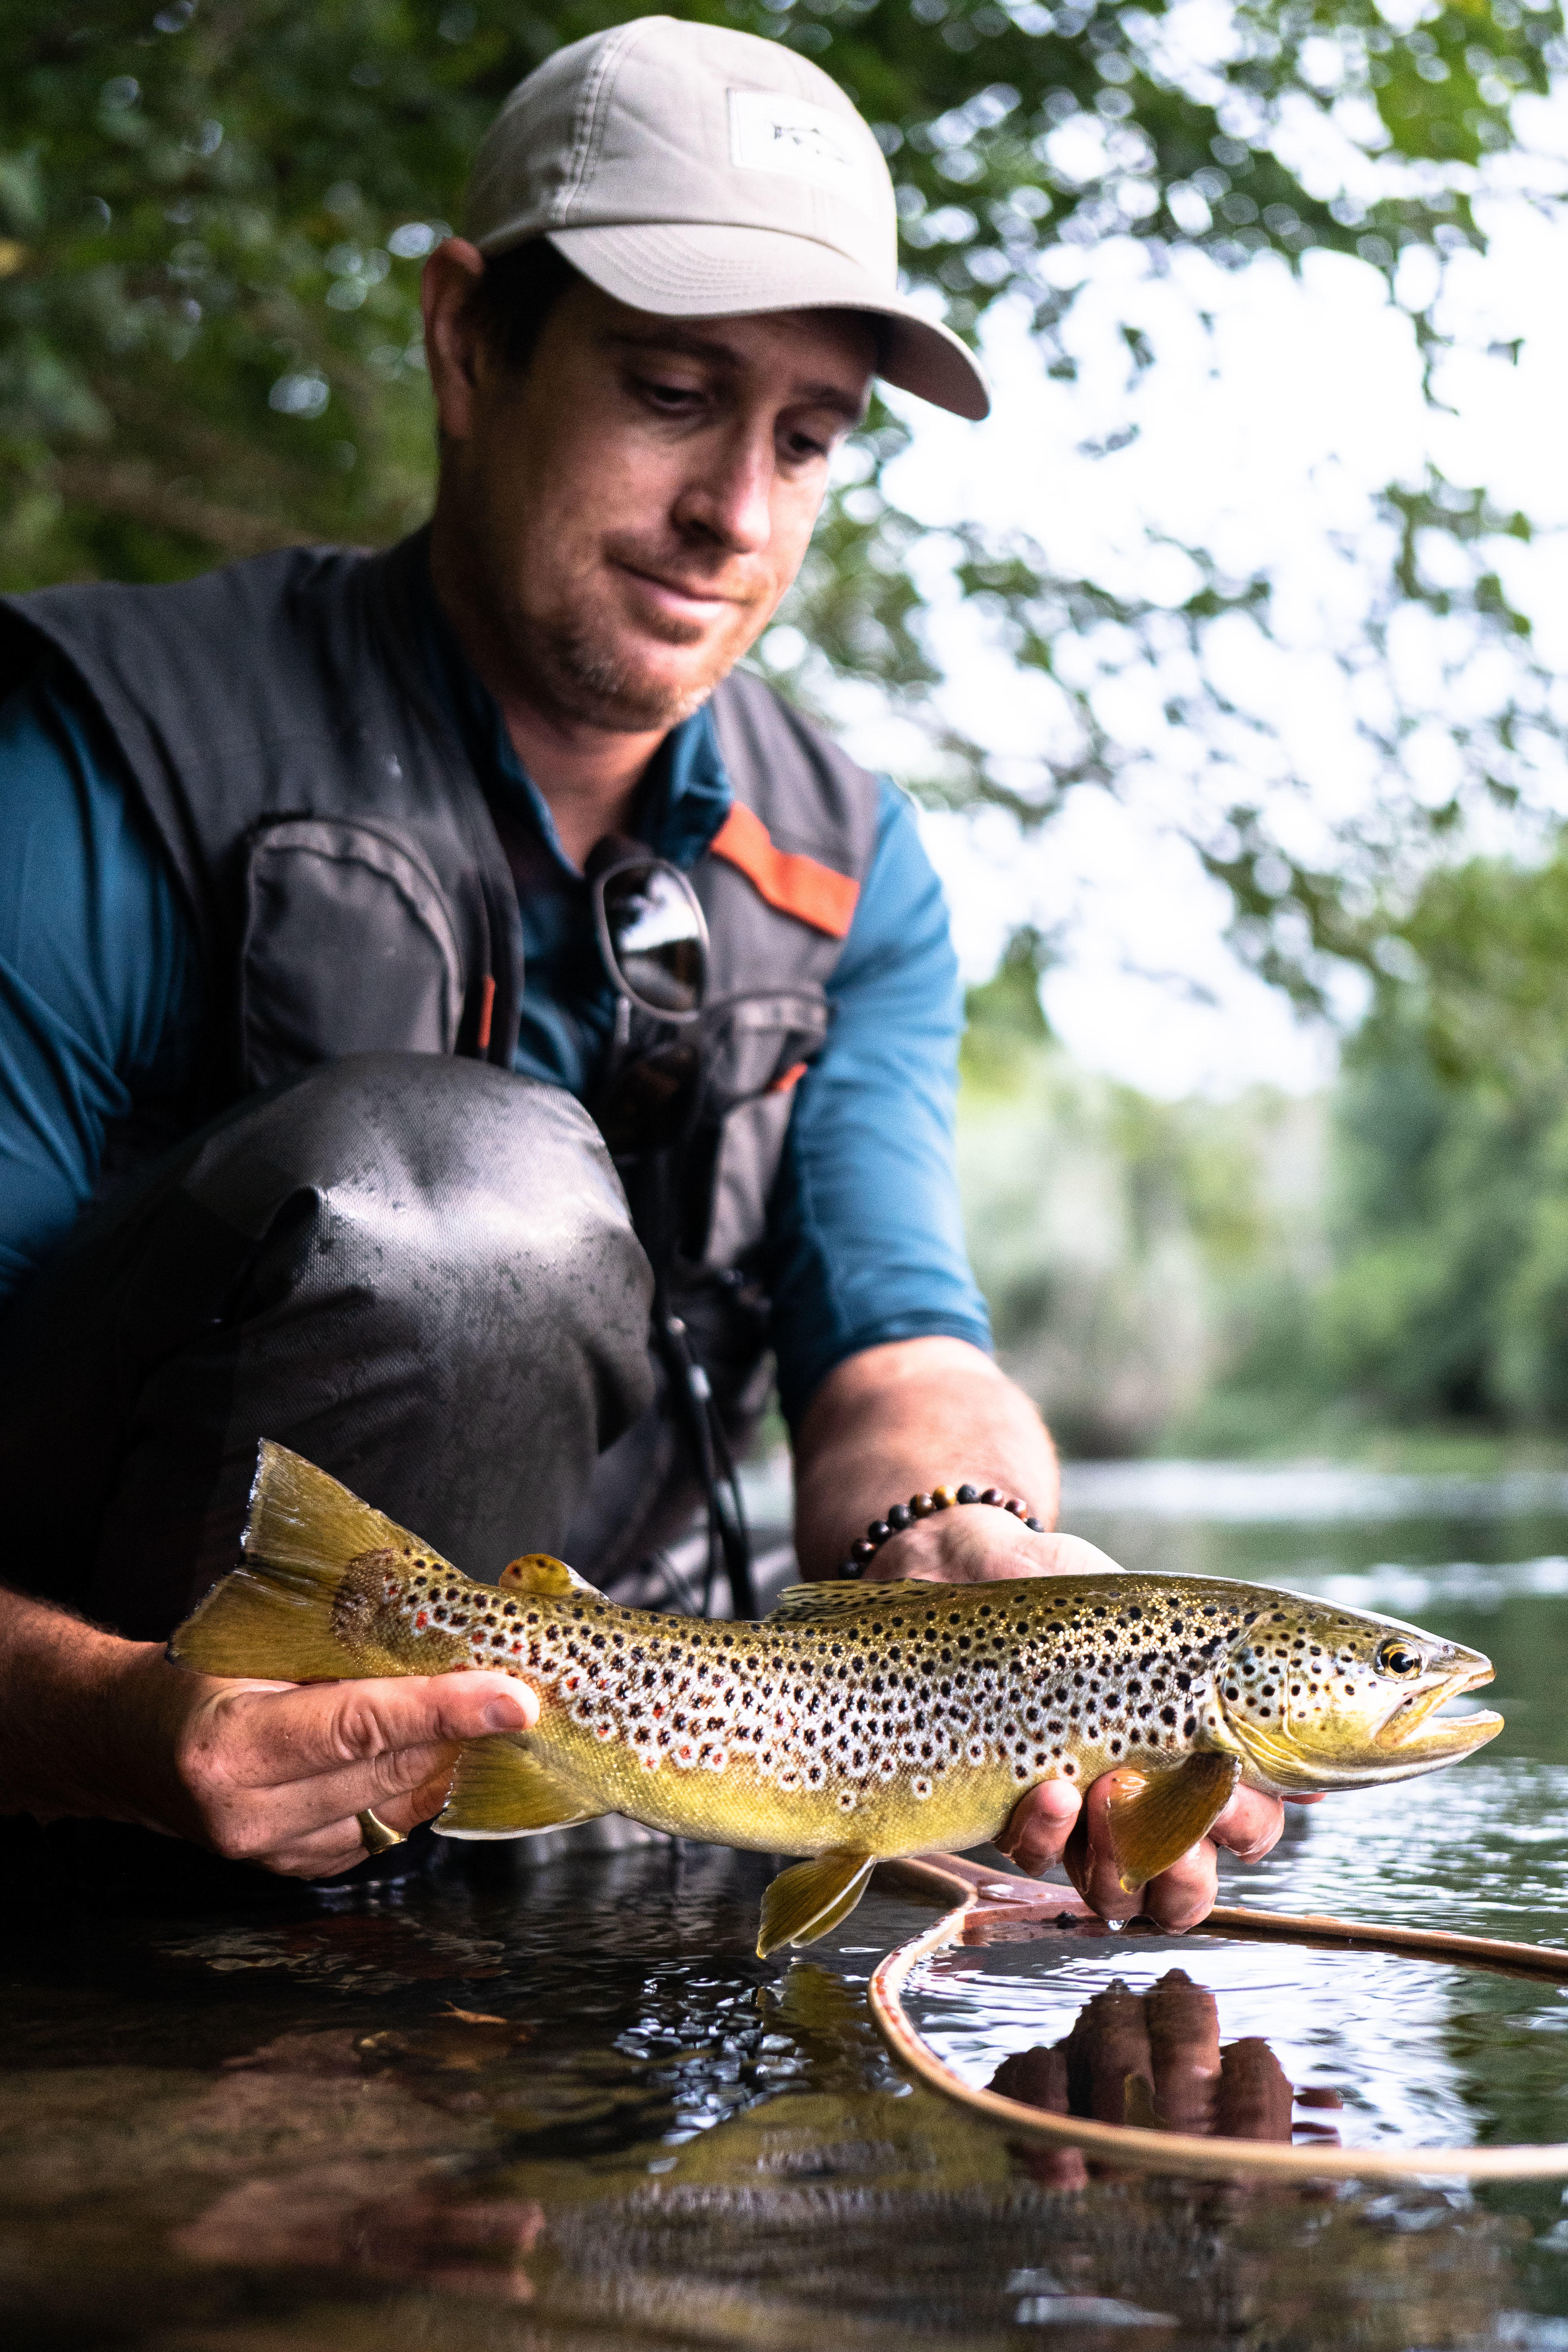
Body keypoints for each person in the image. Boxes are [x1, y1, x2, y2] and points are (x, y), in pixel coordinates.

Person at [0, 16, 1284, 1911]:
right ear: (464, 341)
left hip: (650, 1762)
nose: (737, 518)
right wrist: (107, 1725)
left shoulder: (857, 869)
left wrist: (975, 1546)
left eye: (807, 437)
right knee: (470, 1202)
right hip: (103, 1751)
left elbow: (895, 1351)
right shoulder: (97, 750)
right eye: (671, 394)